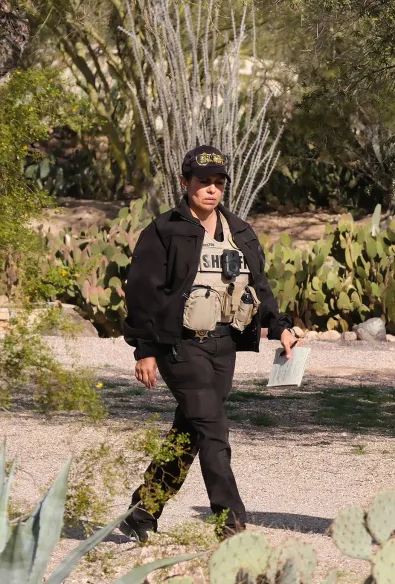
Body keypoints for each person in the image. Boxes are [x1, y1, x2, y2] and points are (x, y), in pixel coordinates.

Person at [120, 145, 298, 542]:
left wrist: (281, 327)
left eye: (219, 183)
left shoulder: (240, 232)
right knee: (215, 431)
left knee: (192, 432)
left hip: (224, 346)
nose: (211, 189)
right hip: (179, 348)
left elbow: (260, 288)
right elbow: (142, 294)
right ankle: (230, 526)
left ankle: (142, 510)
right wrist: (144, 350)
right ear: (185, 183)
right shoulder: (164, 231)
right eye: (203, 182)